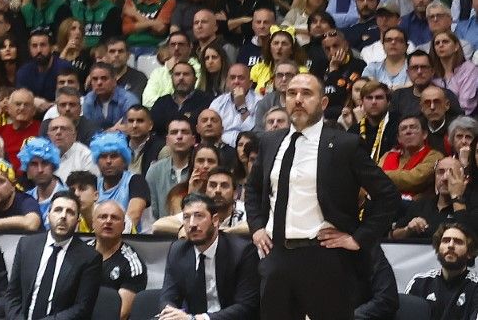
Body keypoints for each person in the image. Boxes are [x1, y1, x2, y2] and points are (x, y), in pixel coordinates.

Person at [244, 72, 399, 319]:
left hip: (324, 256)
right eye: (292, 93)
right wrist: (256, 227)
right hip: (276, 257)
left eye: (307, 94)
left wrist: (358, 238)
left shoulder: (344, 144)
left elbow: (388, 195)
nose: (298, 99)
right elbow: (252, 189)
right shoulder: (270, 141)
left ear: (323, 103)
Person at [158, 191, 261, 320]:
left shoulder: (242, 252)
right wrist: (171, 314)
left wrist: (196, 319)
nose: (192, 224)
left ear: (215, 220)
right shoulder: (178, 251)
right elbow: (168, 296)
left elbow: (246, 306)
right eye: (186, 217)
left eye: (199, 216)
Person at [5, 192, 102, 320]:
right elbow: (13, 294)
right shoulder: (27, 245)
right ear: (48, 215)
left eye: (70, 212)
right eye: (58, 210)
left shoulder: (89, 258)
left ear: (78, 220)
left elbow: (82, 308)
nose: (63, 216)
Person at [405, 219, 478, 320]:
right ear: (438, 248)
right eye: (446, 241)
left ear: (469, 253)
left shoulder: (475, 288)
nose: (450, 245)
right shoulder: (419, 282)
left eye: (458, 242)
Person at [91, 200, 147, 320]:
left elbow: (120, 314)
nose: (108, 221)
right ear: (93, 224)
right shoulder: (80, 252)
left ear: (123, 226)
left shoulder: (133, 264)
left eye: (115, 218)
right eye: (102, 217)